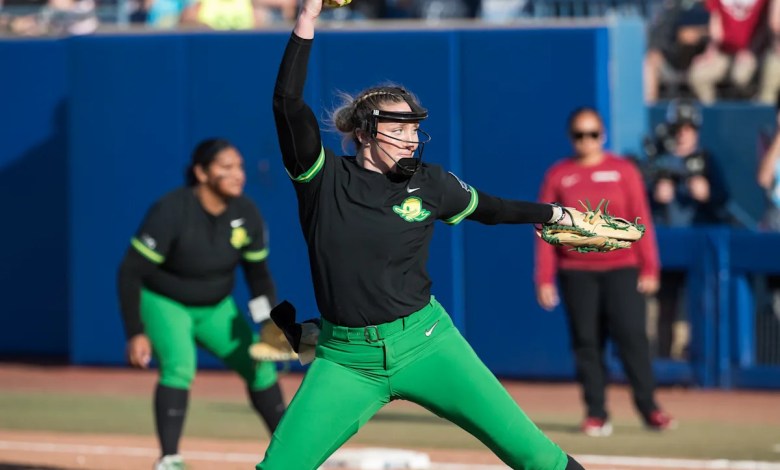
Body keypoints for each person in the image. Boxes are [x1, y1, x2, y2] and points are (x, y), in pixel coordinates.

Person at [259, 0, 587, 468]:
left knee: (536, 456)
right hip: (346, 360)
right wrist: (307, 20)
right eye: (400, 128)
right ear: (367, 133)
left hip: (428, 341)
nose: (412, 138)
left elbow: (491, 209)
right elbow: (287, 104)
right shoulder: (321, 176)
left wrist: (554, 214)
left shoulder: (429, 182)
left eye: (415, 129)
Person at [117, 138, 287, 470]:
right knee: (180, 366)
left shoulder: (246, 213)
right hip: (166, 302)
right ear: (202, 173)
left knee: (259, 364)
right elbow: (129, 272)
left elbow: (258, 276)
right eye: (227, 167)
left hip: (216, 306)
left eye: (239, 166)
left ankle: (289, 454)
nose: (238, 174)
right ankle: (169, 459)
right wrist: (135, 332)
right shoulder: (171, 210)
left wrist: (268, 324)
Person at [535, 108, 676, 437]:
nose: (588, 141)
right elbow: (545, 229)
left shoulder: (622, 171)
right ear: (572, 138)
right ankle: (596, 412)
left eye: (593, 134)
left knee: (632, 338)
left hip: (622, 268)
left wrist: (650, 266)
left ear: (604, 135)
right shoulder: (559, 175)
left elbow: (642, 219)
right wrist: (543, 278)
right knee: (587, 342)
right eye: (580, 135)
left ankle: (649, 407)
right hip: (576, 271)